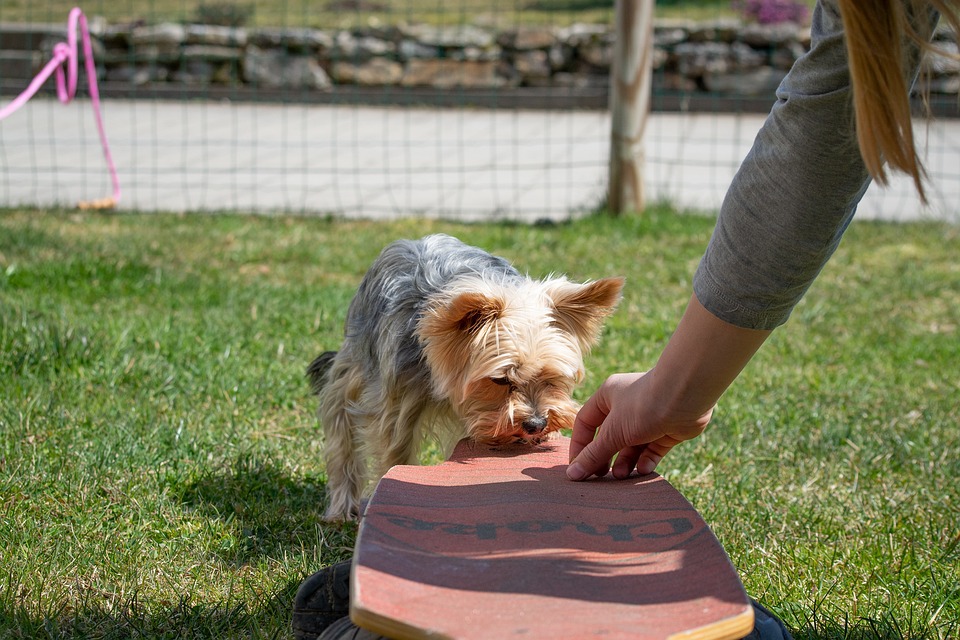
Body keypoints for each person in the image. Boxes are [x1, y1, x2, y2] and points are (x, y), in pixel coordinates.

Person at [294, 1, 960, 638]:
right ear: (459, 336)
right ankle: (354, 498)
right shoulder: (446, 333)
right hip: (402, 308)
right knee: (362, 395)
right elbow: (821, 126)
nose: (534, 413)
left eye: (548, 385)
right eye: (506, 383)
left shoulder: (542, 319)